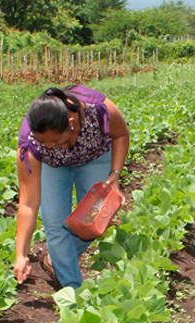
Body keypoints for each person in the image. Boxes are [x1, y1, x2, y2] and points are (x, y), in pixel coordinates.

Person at [13, 85, 129, 289]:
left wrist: (115, 174)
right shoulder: (30, 143)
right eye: (44, 142)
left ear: (71, 122)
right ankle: (73, 292)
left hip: (95, 157)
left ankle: (55, 259)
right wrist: (21, 254)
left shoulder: (99, 110)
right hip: (54, 165)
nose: (49, 146)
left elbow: (121, 134)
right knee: (55, 225)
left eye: (55, 140)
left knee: (93, 221)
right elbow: (28, 203)